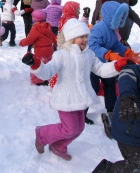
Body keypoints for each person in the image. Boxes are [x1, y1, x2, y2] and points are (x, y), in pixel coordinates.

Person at [22, 18, 126, 161]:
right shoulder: (62, 55)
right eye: (81, 37)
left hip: (81, 98)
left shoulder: (89, 54)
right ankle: (42, 134)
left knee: (79, 128)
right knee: (69, 128)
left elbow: (101, 69)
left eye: (86, 36)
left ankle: (58, 146)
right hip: (66, 98)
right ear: (71, 38)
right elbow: (48, 71)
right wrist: (36, 65)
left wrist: (116, 66)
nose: (85, 40)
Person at [88, 0, 140, 139]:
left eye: (121, 17)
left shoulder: (113, 30)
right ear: (109, 16)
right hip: (94, 65)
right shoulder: (98, 28)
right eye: (117, 16)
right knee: (92, 88)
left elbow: (116, 45)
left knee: (110, 85)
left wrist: (127, 52)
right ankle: (82, 111)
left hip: (107, 66)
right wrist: (107, 53)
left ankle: (111, 109)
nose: (120, 19)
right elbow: (92, 46)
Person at [19, 10, 57, 86]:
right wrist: (57, 44)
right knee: (48, 65)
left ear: (35, 19)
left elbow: (30, 39)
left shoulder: (36, 28)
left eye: (33, 17)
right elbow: (53, 37)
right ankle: (48, 78)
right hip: (49, 51)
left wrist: (22, 42)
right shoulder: (48, 27)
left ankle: (38, 80)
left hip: (40, 52)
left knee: (39, 65)